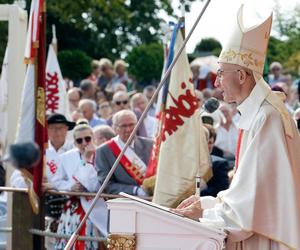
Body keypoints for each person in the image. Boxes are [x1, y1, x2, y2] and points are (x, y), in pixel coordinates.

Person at [173, 6, 300, 249]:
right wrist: (208, 204)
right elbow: (248, 193)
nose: (216, 82)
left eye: (221, 73)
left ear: (242, 76)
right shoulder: (259, 113)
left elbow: (250, 208)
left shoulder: (267, 117)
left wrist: (203, 213)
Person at [52, 124, 107, 249]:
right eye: (79, 140)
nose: (84, 143)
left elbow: (95, 185)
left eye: (87, 139)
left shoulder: (102, 154)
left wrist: (87, 159)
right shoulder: (66, 157)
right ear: (75, 142)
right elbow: (57, 181)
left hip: (97, 206)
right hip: (74, 208)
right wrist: (70, 187)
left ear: (93, 138)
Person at [95, 110, 153, 196]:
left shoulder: (150, 144)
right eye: (123, 126)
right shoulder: (104, 151)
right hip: (125, 202)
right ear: (114, 128)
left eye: (131, 125)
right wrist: (135, 190)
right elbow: (106, 185)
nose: (128, 129)